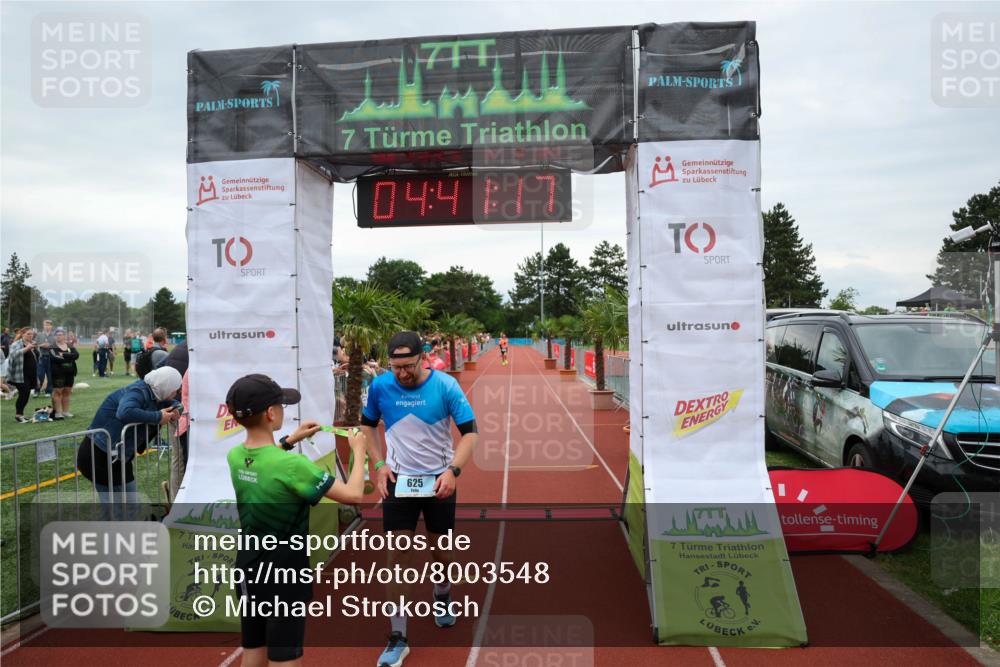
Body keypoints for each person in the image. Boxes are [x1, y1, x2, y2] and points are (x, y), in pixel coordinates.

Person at [225, 373, 368, 667]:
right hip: (284, 571)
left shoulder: (236, 456)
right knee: (285, 655)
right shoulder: (294, 466)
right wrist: (359, 450)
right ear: (271, 413)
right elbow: (354, 494)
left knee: (254, 647)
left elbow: (266, 460)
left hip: (248, 567)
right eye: (281, 405)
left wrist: (290, 440)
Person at [360, 331, 478, 667]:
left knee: (440, 549)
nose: (402, 374)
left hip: (439, 479)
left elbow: (470, 434)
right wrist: (379, 464)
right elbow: (367, 426)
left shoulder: (445, 386)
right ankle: (398, 636)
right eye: (396, 367)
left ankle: (442, 593)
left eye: (408, 366)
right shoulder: (382, 387)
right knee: (396, 556)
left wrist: (453, 471)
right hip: (399, 480)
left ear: (422, 358)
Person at [76, 367, 182, 513]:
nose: (176, 393)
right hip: (98, 455)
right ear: (165, 386)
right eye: (174, 389)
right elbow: (125, 411)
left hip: (116, 456)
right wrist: (158, 417)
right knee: (116, 509)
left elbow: (172, 403)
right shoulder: (138, 391)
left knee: (129, 505)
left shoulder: (155, 392)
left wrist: (176, 409)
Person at [6, 328, 39, 422]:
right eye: (28, 334)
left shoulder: (33, 343)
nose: (30, 336)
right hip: (20, 374)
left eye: (32, 334)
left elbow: (36, 356)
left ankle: (21, 414)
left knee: (26, 393)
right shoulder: (16, 344)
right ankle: (18, 415)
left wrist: (36, 349)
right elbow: (12, 355)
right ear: (23, 334)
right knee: (24, 393)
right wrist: (27, 348)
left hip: (31, 374)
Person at [48, 328, 79, 419]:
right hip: (58, 373)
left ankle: (66, 411)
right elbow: (56, 358)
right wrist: (70, 357)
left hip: (70, 372)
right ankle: (58, 412)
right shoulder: (52, 347)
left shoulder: (69, 345)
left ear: (64, 336)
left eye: (61, 335)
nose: (59, 336)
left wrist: (64, 355)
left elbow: (76, 355)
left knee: (67, 391)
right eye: (57, 335)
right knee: (58, 392)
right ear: (54, 336)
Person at [36, 320, 55, 396]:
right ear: (43, 326)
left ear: (51, 326)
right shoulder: (39, 335)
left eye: (49, 325)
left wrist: (49, 346)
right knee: (40, 375)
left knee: (50, 375)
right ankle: (37, 390)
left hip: (51, 357)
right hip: (41, 357)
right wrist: (41, 345)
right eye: (45, 325)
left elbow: (56, 345)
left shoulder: (54, 335)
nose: (47, 326)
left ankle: (48, 391)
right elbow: (35, 344)